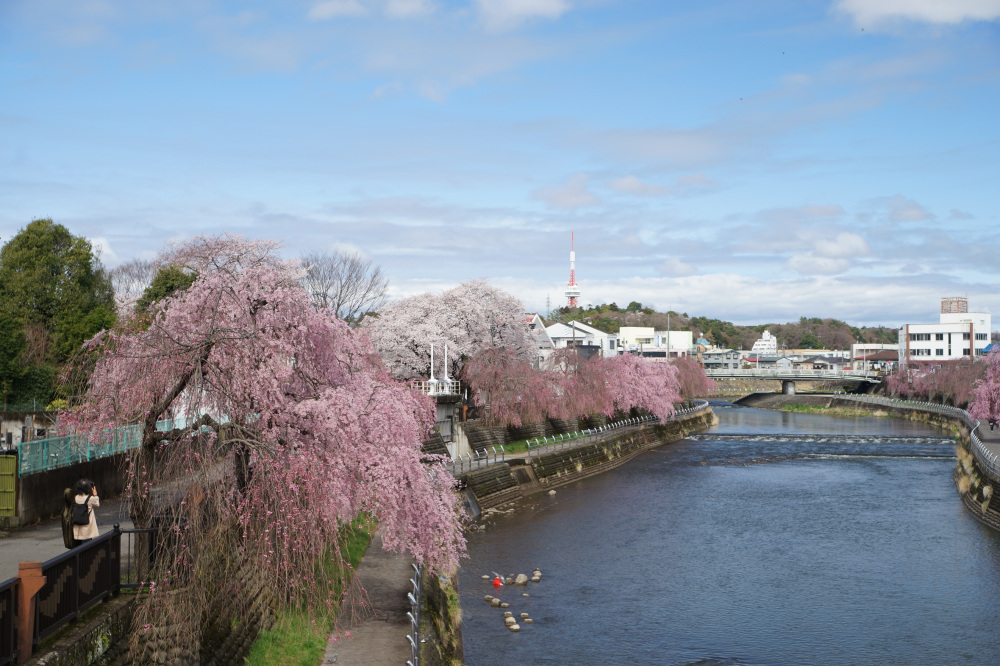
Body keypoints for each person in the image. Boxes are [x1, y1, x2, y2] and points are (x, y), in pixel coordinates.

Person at [72, 478, 100, 547]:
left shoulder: (76, 497)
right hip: (87, 527)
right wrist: (95, 494)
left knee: (78, 548)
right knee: (87, 547)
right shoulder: (90, 498)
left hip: (77, 527)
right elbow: (97, 504)